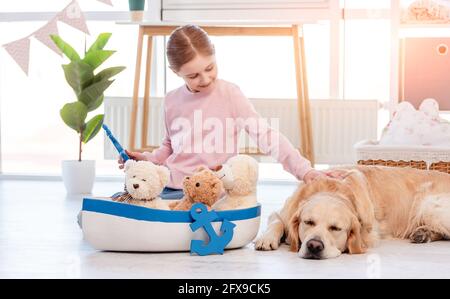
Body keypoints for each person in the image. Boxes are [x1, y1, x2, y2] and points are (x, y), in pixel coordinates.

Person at [119, 25, 341, 199]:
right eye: (193, 76)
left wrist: (305, 171)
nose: (205, 79)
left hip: (213, 190)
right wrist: (146, 159)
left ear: (214, 55)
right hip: (172, 187)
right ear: (176, 72)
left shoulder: (230, 94)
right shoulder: (171, 100)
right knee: (123, 202)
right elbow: (170, 146)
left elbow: (266, 136)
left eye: (209, 68)